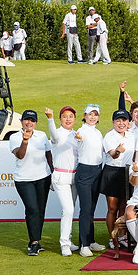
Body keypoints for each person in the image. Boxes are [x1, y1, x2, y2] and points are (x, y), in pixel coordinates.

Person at [10, 109, 52, 256]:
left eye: (32, 120)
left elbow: (48, 153)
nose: (29, 123)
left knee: (40, 210)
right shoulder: (15, 137)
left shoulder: (41, 135)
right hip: (24, 179)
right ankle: (34, 242)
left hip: (43, 177)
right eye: (26, 120)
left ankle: (36, 240)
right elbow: (20, 155)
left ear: (36, 123)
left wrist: (52, 174)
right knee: (32, 209)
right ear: (21, 121)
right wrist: (25, 140)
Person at [46, 105, 80, 256]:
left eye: (71, 116)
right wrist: (50, 119)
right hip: (61, 176)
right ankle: (64, 244)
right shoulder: (58, 133)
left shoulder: (77, 134)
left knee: (69, 210)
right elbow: (54, 137)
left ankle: (69, 239)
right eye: (65, 116)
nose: (68, 119)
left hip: (75, 176)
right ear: (60, 119)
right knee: (68, 210)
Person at [101, 109, 136, 250]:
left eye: (124, 120)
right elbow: (113, 155)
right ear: (113, 122)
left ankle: (122, 236)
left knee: (123, 206)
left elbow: (136, 155)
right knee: (112, 208)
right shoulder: (109, 137)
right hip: (112, 172)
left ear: (128, 123)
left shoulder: (132, 136)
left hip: (127, 172)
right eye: (118, 120)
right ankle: (112, 237)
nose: (121, 123)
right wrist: (117, 151)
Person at [75, 104, 106, 257]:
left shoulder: (98, 133)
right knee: (85, 209)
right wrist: (78, 138)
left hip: (97, 171)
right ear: (85, 115)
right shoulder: (81, 131)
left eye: (95, 115)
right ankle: (84, 245)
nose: (93, 117)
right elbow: (78, 138)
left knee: (91, 209)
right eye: (90, 114)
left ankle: (91, 240)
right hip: (85, 171)